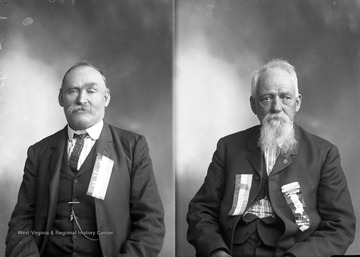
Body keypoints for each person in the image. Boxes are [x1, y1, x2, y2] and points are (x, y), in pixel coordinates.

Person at [186, 59, 356, 257]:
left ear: (297, 102)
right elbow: (200, 211)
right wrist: (217, 251)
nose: (277, 107)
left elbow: (340, 226)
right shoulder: (228, 147)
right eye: (267, 98)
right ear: (253, 104)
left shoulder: (324, 153)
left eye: (285, 98)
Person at [6, 61, 165, 257]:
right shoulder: (38, 152)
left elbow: (150, 223)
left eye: (91, 91)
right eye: (73, 91)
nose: (82, 99)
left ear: (106, 97)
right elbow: (22, 221)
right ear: (60, 98)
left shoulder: (133, 147)